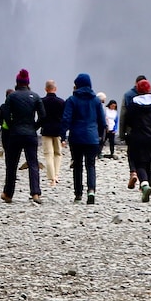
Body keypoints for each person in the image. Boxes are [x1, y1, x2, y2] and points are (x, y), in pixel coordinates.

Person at [0, 70, 45, 204]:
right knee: (33, 163)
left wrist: (12, 126)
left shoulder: (11, 97)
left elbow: (5, 115)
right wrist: (34, 127)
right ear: (28, 83)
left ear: (17, 83)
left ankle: (8, 193)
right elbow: (43, 116)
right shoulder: (35, 96)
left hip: (15, 134)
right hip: (30, 134)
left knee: (12, 164)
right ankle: (35, 193)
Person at [120, 76, 151, 202]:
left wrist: (123, 134)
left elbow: (127, 120)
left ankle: (144, 184)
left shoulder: (133, 105)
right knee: (149, 163)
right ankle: (147, 185)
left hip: (137, 137)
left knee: (139, 162)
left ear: (138, 90)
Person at [64, 73, 104, 204]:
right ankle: (91, 190)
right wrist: (100, 138)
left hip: (76, 137)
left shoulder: (72, 100)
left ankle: (78, 194)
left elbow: (66, 119)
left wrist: (62, 134)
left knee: (77, 165)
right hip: (92, 138)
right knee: (91, 165)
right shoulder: (96, 101)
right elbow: (102, 122)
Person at [38, 79, 67, 188]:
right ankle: (56, 175)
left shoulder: (41, 101)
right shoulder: (61, 102)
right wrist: (64, 136)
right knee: (58, 154)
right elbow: (64, 119)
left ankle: (52, 179)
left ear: (46, 89)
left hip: (46, 130)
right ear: (55, 89)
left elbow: (40, 117)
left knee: (48, 155)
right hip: (58, 131)